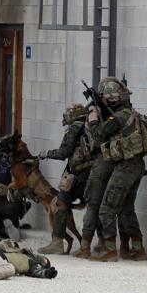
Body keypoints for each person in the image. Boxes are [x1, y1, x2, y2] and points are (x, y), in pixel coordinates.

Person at [85, 77, 147, 262]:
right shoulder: (129, 113)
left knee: (107, 208)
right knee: (126, 209)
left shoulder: (119, 117)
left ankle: (110, 249)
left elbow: (97, 136)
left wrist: (93, 118)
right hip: (134, 165)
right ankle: (138, 249)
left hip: (125, 166)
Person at [37, 103, 93, 254]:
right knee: (94, 207)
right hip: (93, 174)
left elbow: (64, 152)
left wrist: (46, 153)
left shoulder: (75, 128)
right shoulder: (90, 126)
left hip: (79, 174)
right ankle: (98, 244)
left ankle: (57, 243)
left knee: (61, 202)